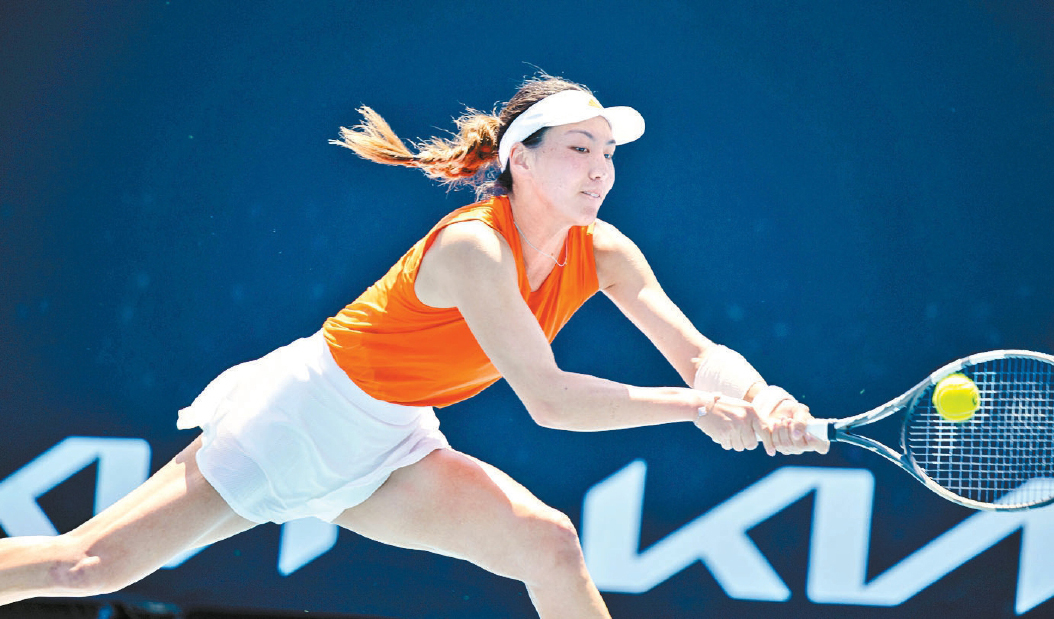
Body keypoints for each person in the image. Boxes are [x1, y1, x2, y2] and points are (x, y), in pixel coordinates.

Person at [0, 73, 828, 618]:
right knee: (86, 567)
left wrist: (763, 399)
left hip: (393, 444)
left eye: (608, 153)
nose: (600, 169)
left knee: (549, 543)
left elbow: (700, 355)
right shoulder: (474, 247)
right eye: (580, 149)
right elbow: (550, 399)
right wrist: (697, 409)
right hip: (297, 419)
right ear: (520, 160)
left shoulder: (604, 251)